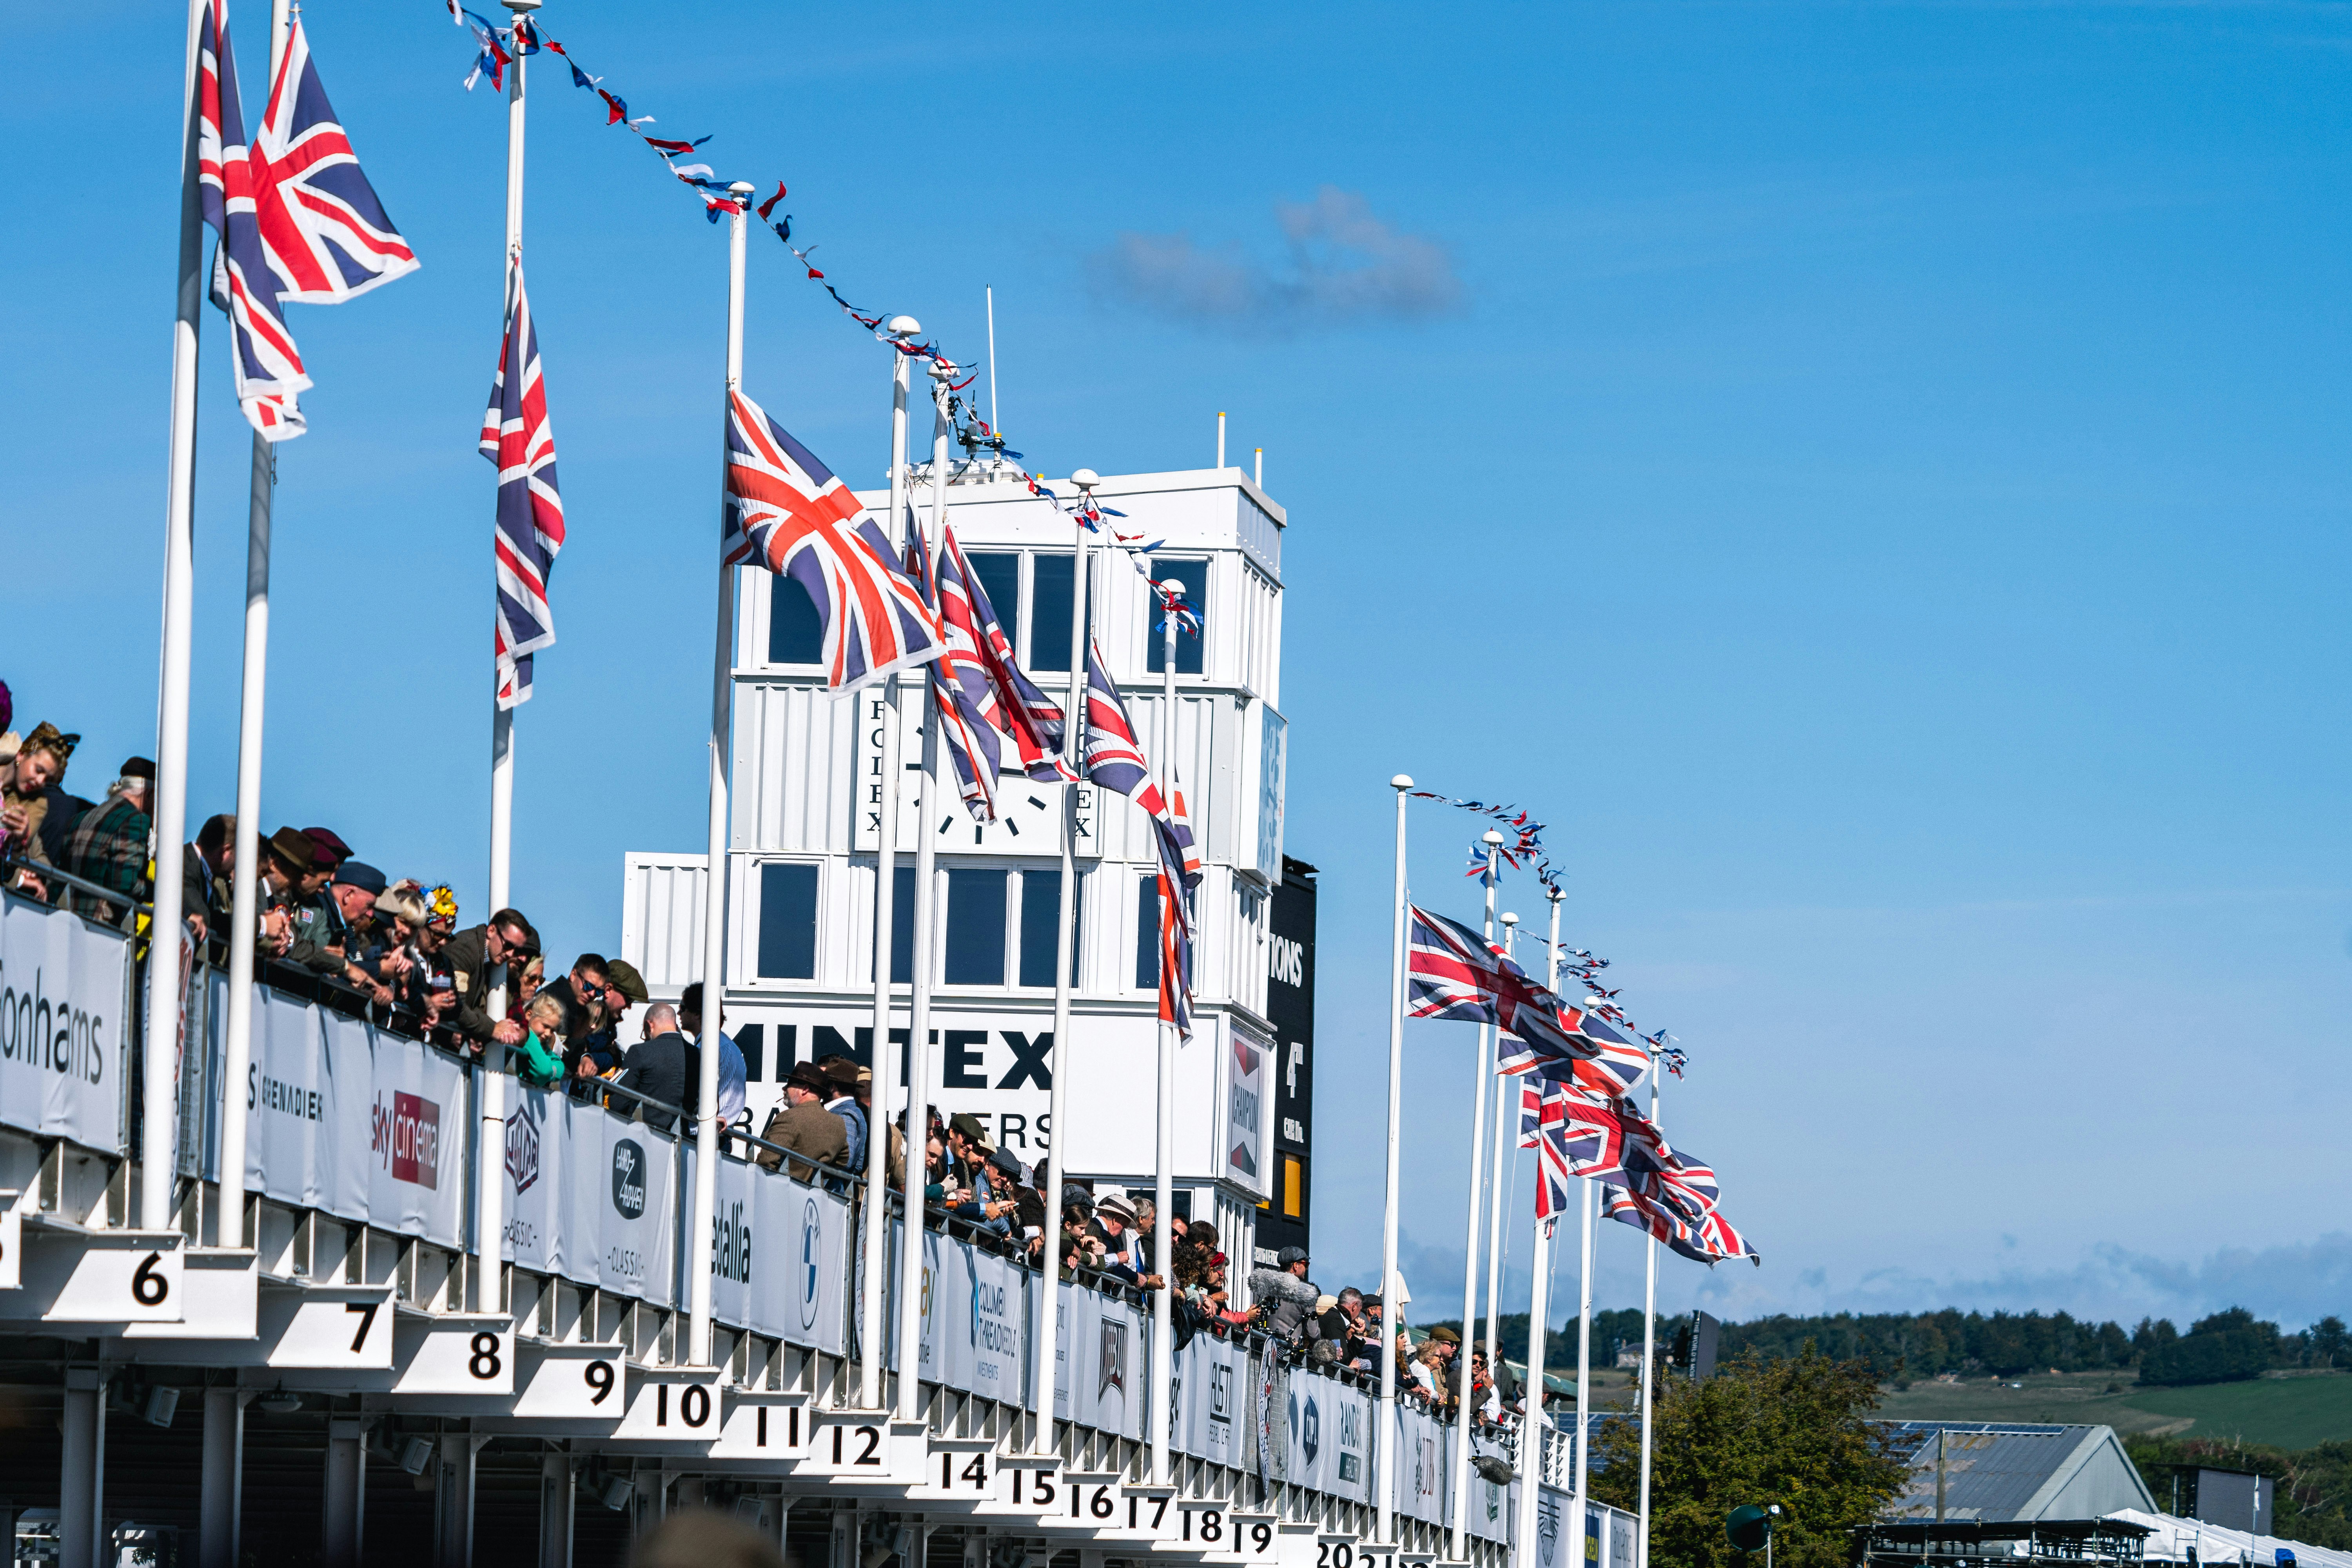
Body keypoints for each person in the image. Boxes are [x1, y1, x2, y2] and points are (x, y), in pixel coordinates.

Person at [58, 757, 152, 926]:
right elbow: (125, 883)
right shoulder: (136, 819)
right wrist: (156, 891)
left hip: (65, 917)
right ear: (150, 794)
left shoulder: (81, 817)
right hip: (101, 927)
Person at [441, 907, 537, 1049]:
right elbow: (456, 1005)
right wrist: (493, 1029)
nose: (511, 954)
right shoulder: (465, 949)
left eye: (516, 950)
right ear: (491, 931)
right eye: (508, 946)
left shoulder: (488, 957)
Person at [1, 722, 76, 898]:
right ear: (21, 754)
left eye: (48, 779)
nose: (40, 781)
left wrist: (20, 841)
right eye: (39, 770)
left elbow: (39, 857)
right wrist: (19, 877)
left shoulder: (37, 803)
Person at [613, 1004, 699, 1133]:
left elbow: (618, 1102)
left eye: (645, 1033)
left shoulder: (639, 1052)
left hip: (643, 1137)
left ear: (649, 1025)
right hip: (682, 1140)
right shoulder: (696, 1055)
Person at [755, 1061, 849, 1176]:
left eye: (790, 1084)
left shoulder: (789, 1118)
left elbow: (766, 1161)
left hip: (782, 1190)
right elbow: (842, 1162)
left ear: (805, 1089)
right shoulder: (838, 1123)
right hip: (816, 1192)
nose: (785, 1088)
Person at [677, 982, 746, 1131]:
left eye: (683, 1008)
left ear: (697, 1013)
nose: (679, 1014)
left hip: (704, 1137)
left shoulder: (710, 1048)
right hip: (717, 1133)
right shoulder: (724, 1044)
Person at [181, 811, 236, 944]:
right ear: (225, 852)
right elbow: (202, 915)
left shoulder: (204, 872)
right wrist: (262, 925)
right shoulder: (185, 865)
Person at [1248, 1246, 1321, 1343]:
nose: (1306, 1269)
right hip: (1288, 1352)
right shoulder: (1306, 1294)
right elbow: (1314, 1334)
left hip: (1263, 1347)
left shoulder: (1263, 1286)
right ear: (1296, 1266)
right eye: (1306, 1264)